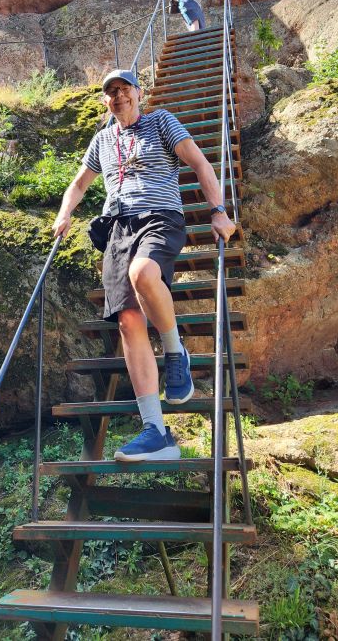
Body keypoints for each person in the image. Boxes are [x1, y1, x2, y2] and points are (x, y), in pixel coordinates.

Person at [52, 69, 236, 462]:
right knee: (129, 323)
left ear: (138, 93)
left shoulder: (162, 121)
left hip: (160, 217)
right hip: (117, 227)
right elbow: (81, 183)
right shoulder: (101, 140)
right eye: (111, 93)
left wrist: (218, 211)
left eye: (124, 89)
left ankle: (175, 352)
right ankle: (157, 432)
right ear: (106, 102)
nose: (118, 97)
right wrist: (64, 214)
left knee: (143, 274)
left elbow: (200, 164)